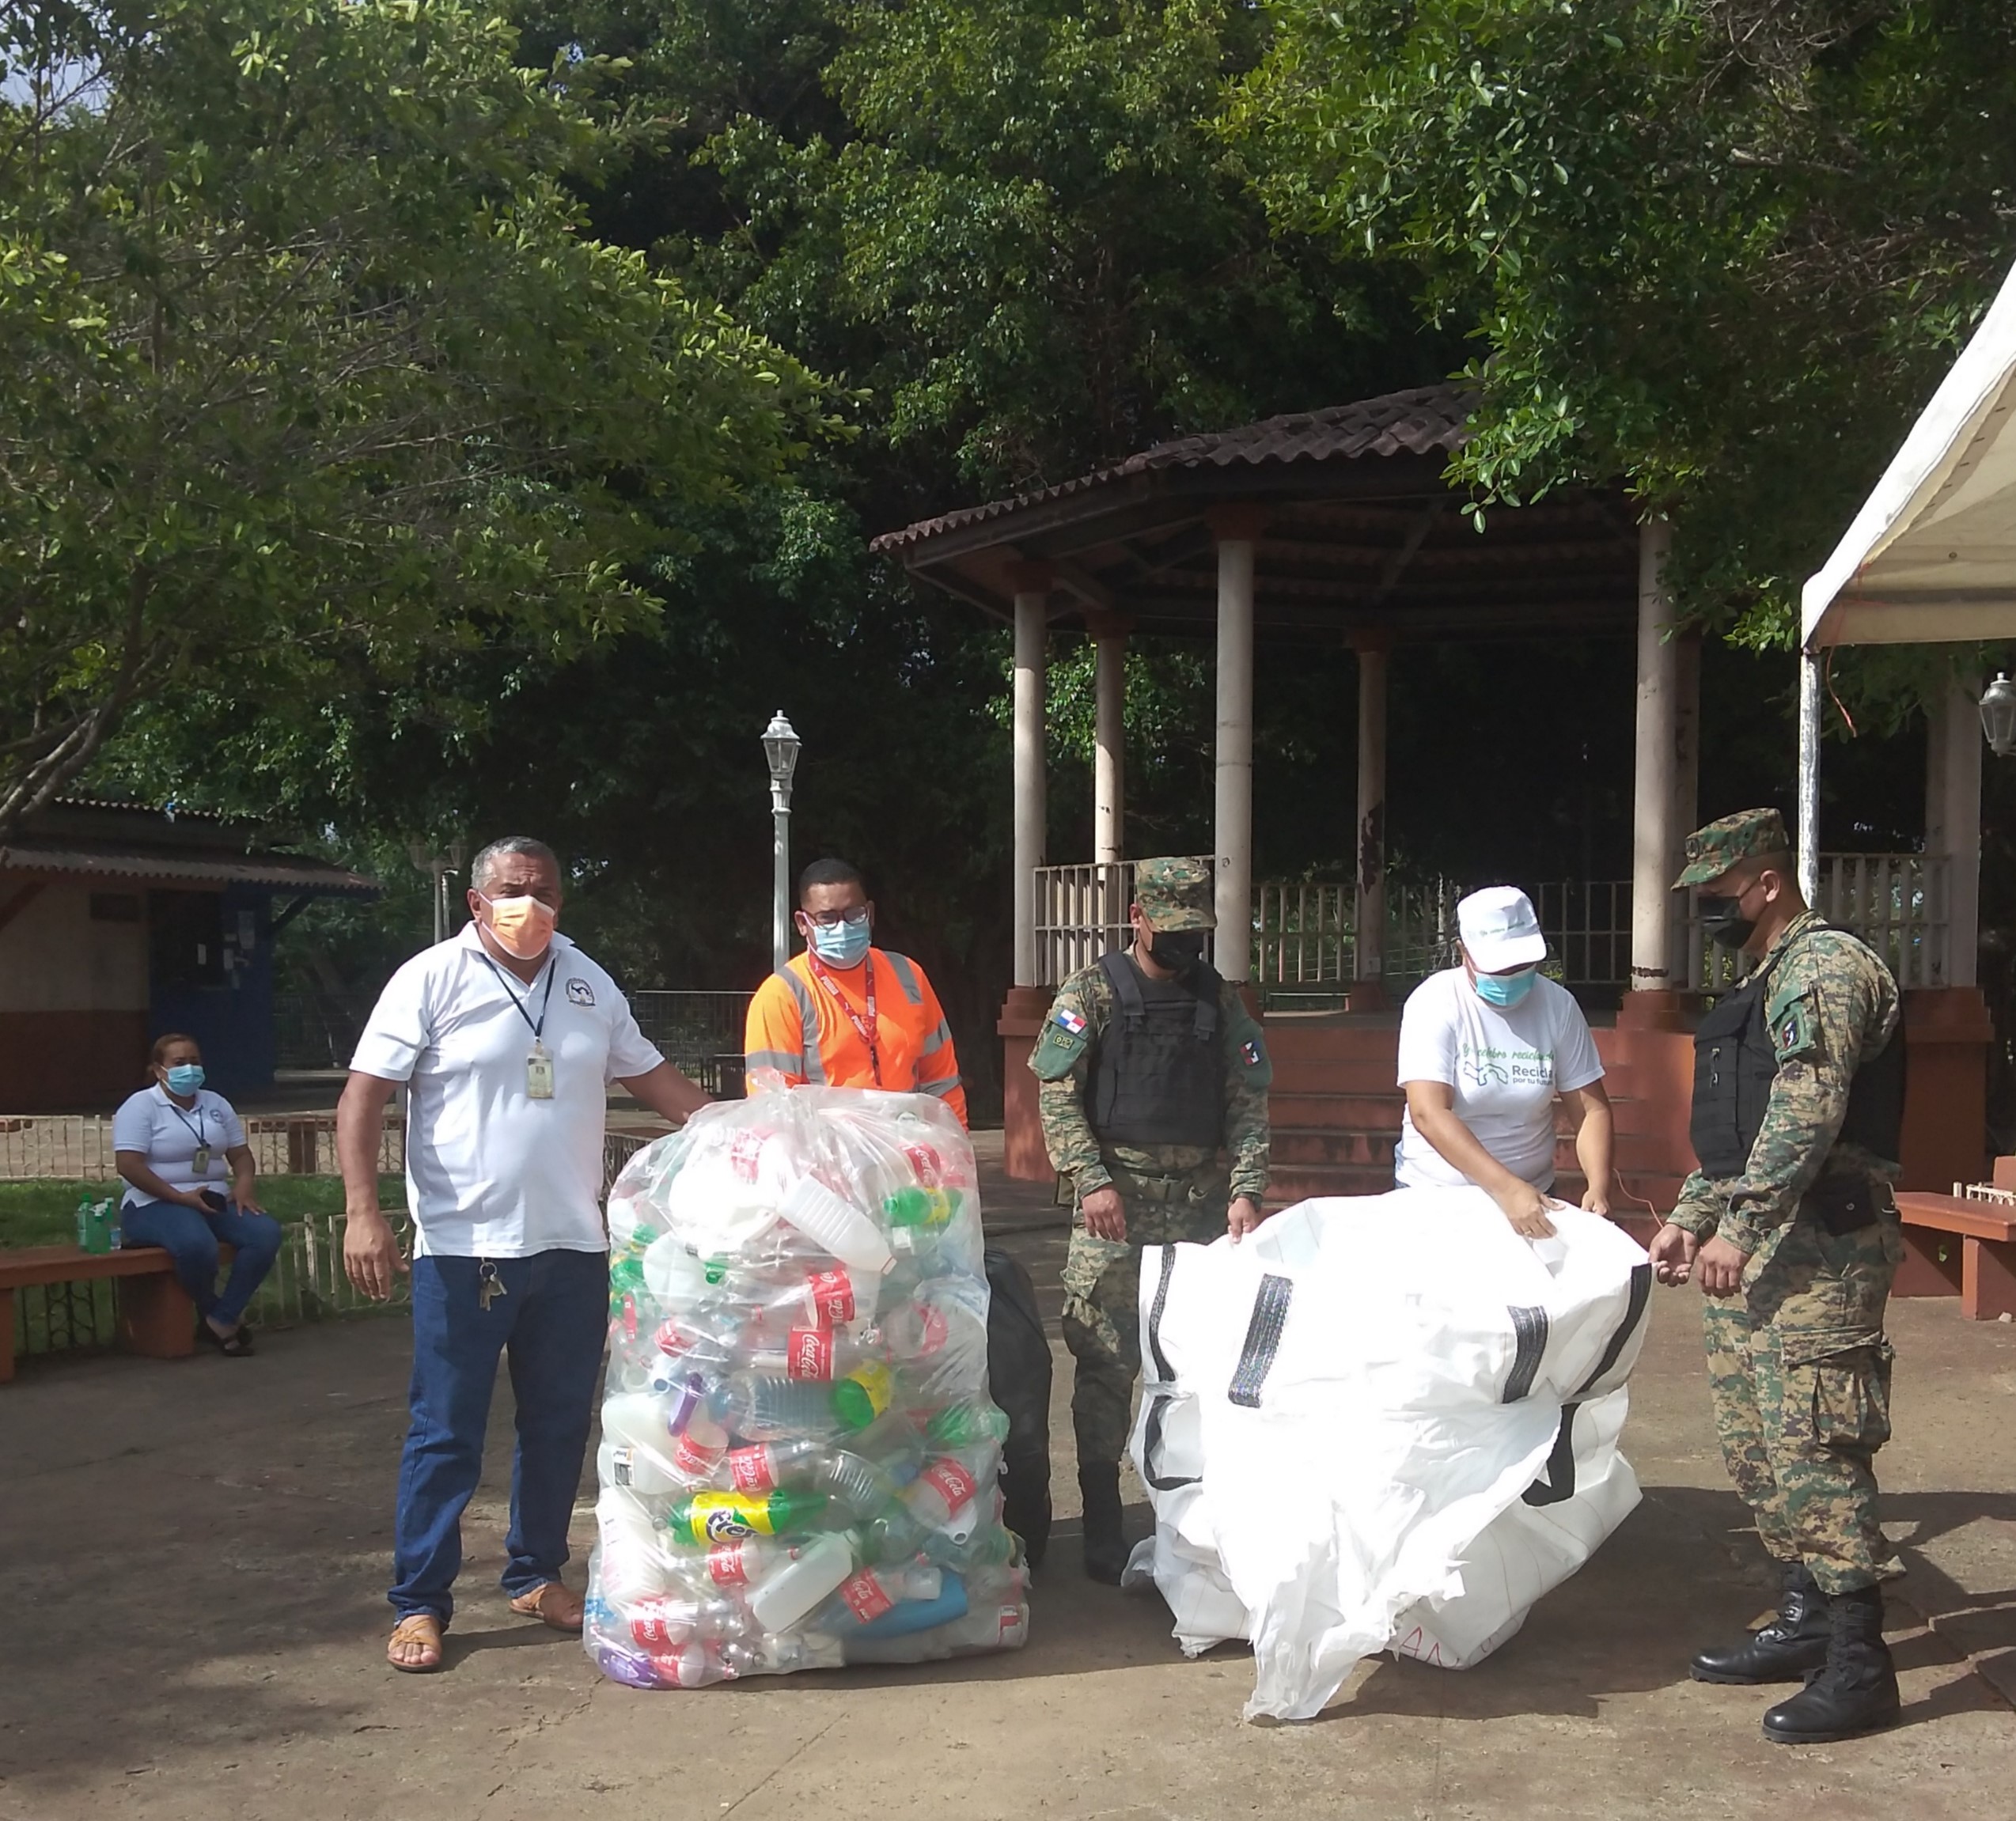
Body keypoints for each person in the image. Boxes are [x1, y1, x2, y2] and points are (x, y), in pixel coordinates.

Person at [337, 835, 711, 1675]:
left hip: (572, 1247)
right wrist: (364, 1211)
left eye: (544, 892)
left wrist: (745, 1129)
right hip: (465, 1251)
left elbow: (654, 1080)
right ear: (477, 901)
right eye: (512, 890)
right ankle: (421, 1603)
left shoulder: (587, 981)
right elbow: (363, 1095)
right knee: (447, 1433)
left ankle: (536, 1573)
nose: (529, 906)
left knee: (556, 1425)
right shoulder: (430, 978)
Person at [1647, 808, 1906, 1745]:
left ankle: (1859, 1666)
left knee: (1816, 1449)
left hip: (1820, 1251)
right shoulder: (1763, 978)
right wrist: (1690, 1217)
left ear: (1764, 882)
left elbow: (1808, 1107)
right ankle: (1803, 1620)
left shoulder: (1825, 968)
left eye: (1717, 895)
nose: (1706, 912)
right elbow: (1741, 1129)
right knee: (1759, 1448)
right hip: (1761, 1250)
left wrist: (1742, 1226)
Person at [1029, 855, 1272, 1583]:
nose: (1184, 944)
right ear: (1138, 919)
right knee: (1107, 1362)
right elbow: (1057, 1095)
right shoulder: (1092, 992)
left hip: (1201, 1210)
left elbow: (1248, 1099)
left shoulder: (1219, 1000)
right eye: (1171, 929)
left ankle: (1187, 1516)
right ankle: (1103, 1518)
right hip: (1116, 1209)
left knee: (1200, 1366)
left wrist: (1247, 1188)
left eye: (1195, 931)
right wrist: (1091, 1181)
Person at [1394, 884, 1616, 1234]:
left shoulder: (1558, 1005)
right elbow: (1429, 1112)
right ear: (1462, 952)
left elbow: (1591, 1109)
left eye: (1522, 964)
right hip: (1438, 1199)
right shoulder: (1434, 1002)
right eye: (1498, 968)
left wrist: (1598, 1186)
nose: (1511, 975)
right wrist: (1506, 1188)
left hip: (1533, 1197)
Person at [744, 857, 968, 1126]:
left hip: (906, 1152)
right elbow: (772, 1110)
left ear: (870, 914)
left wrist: (956, 1146)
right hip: (827, 1158)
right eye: (827, 918)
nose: (843, 926)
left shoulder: (909, 976)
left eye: (854, 914)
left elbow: (941, 1081)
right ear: (803, 924)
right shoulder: (782, 995)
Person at [113, 1034, 282, 1357]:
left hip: (213, 1197)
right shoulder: (140, 1107)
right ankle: (215, 1311)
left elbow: (241, 1154)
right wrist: (180, 1198)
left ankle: (220, 1318)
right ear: (159, 1070)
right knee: (195, 1244)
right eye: (179, 1063)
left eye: (195, 1061)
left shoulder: (216, 1103)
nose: (189, 1069)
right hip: (154, 1202)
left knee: (265, 1234)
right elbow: (129, 1165)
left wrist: (244, 1184)